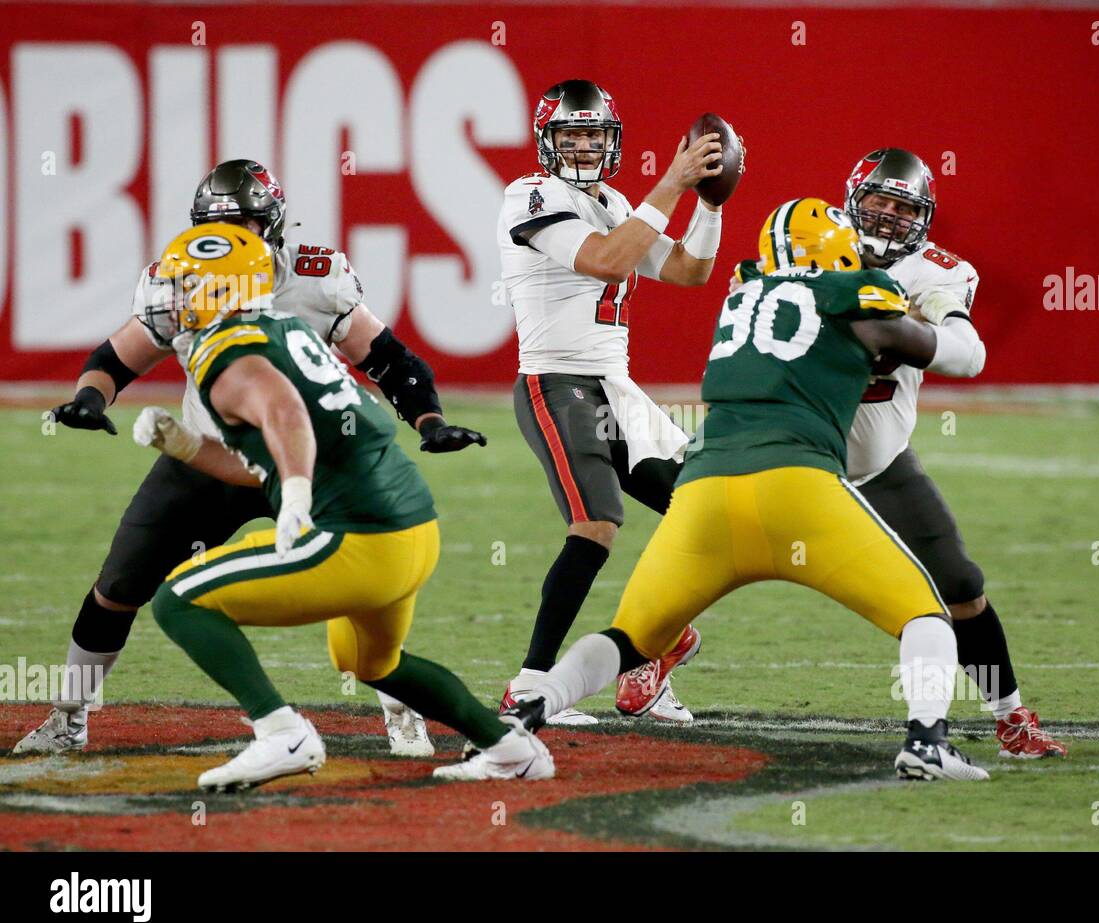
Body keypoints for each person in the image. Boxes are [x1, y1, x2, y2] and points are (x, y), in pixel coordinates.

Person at [499, 199, 991, 782]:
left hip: (704, 496)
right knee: (926, 617)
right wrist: (946, 310)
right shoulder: (854, 295)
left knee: (627, 638)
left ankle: (525, 716)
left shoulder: (742, 292)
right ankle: (927, 742)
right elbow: (967, 358)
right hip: (797, 490)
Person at [12, 159, 482, 759]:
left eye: (247, 224)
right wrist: (86, 398)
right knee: (121, 583)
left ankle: (400, 710)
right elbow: (117, 357)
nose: (233, 239)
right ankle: (70, 714)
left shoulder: (314, 279)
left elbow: (390, 360)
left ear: (275, 226)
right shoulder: (179, 281)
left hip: (309, 458)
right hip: (209, 456)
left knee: (362, 582)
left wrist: (430, 421)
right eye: (220, 226)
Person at [139, 222, 551, 789]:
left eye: (185, 285)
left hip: (357, 539)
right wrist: (186, 446)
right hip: (412, 531)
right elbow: (266, 458)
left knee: (177, 600)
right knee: (373, 663)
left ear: (223, 290)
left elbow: (285, 414)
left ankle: (281, 732)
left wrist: (299, 495)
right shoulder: (284, 328)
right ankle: (509, 748)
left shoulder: (226, 354)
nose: (171, 297)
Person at [497, 79, 740, 724]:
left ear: (611, 141)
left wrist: (710, 203)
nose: (582, 146)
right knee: (597, 524)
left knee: (707, 512)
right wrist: (673, 182)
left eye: (592, 135)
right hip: (557, 382)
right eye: (570, 135)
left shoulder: (612, 199)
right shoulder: (530, 195)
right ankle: (527, 685)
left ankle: (651, 654)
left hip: (616, 390)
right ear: (547, 142)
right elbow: (606, 260)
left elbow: (689, 271)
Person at [838, 147, 1067, 758]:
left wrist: (901, 327)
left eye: (901, 206)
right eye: (878, 201)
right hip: (795, 460)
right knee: (704, 554)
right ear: (851, 199)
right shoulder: (810, 245)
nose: (887, 216)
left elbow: (968, 355)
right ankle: (655, 659)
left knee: (961, 584)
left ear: (923, 217)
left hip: (879, 463)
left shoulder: (934, 272)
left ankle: (1011, 716)